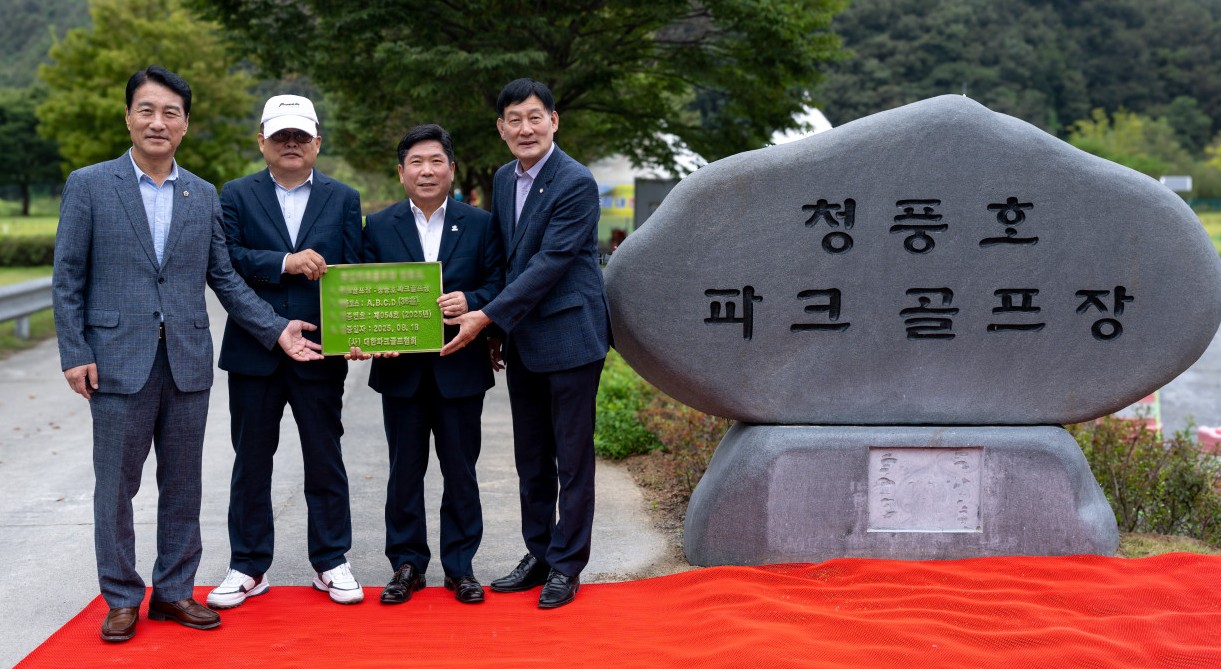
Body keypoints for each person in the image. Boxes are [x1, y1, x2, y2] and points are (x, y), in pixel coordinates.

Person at [52, 65, 324, 643]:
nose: (158, 122)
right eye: (147, 110)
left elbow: (224, 278)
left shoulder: (202, 194)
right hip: (115, 359)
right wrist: (74, 350)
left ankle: (174, 591)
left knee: (183, 485)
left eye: (170, 112)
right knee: (116, 486)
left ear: (185, 124)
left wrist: (277, 330)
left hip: (187, 361)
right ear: (129, 117)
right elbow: (68, 275)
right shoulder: (91, 184)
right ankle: (122, 596)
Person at [441, 78, 611, 609]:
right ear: (501, 129)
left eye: (534, 117)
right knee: (530, 458)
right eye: (514, 119)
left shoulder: (575, 181)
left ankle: (567, 564)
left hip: (570, 336)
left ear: (554, 121)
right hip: (523, 339)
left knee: (572, 459)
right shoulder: (502, 177)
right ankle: (538, 553)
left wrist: (486, 315)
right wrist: (496, 326)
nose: (525, 128)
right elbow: (508, 259)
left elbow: (550, 264)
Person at [203, 95, 365, 609]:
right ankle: (247, 566)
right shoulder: (235, 194)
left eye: (300, 135)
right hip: (255, 350)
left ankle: (331, 560)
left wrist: (361, 328)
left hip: (322, 348)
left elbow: (353, 270)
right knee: (251, 460)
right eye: (280, 136)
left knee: (325, 456)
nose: (290, 144)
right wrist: (285, 262)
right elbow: (224, 261)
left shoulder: (344, 198)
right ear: (262, 141)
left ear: (318, 141)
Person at [354, 124, 504, 605]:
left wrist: (474, 300)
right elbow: (365, 295)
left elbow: (501, 284)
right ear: (401, 173)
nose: (426, 170)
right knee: (404, 471)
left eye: (436, 161)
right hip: (401, 373)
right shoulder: (377, 226)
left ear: (452, 170)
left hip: (459, 368)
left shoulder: (481, 223)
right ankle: (407, 564)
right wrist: (372, 337)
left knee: (461, 471)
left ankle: (460, 567)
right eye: (416, 162)